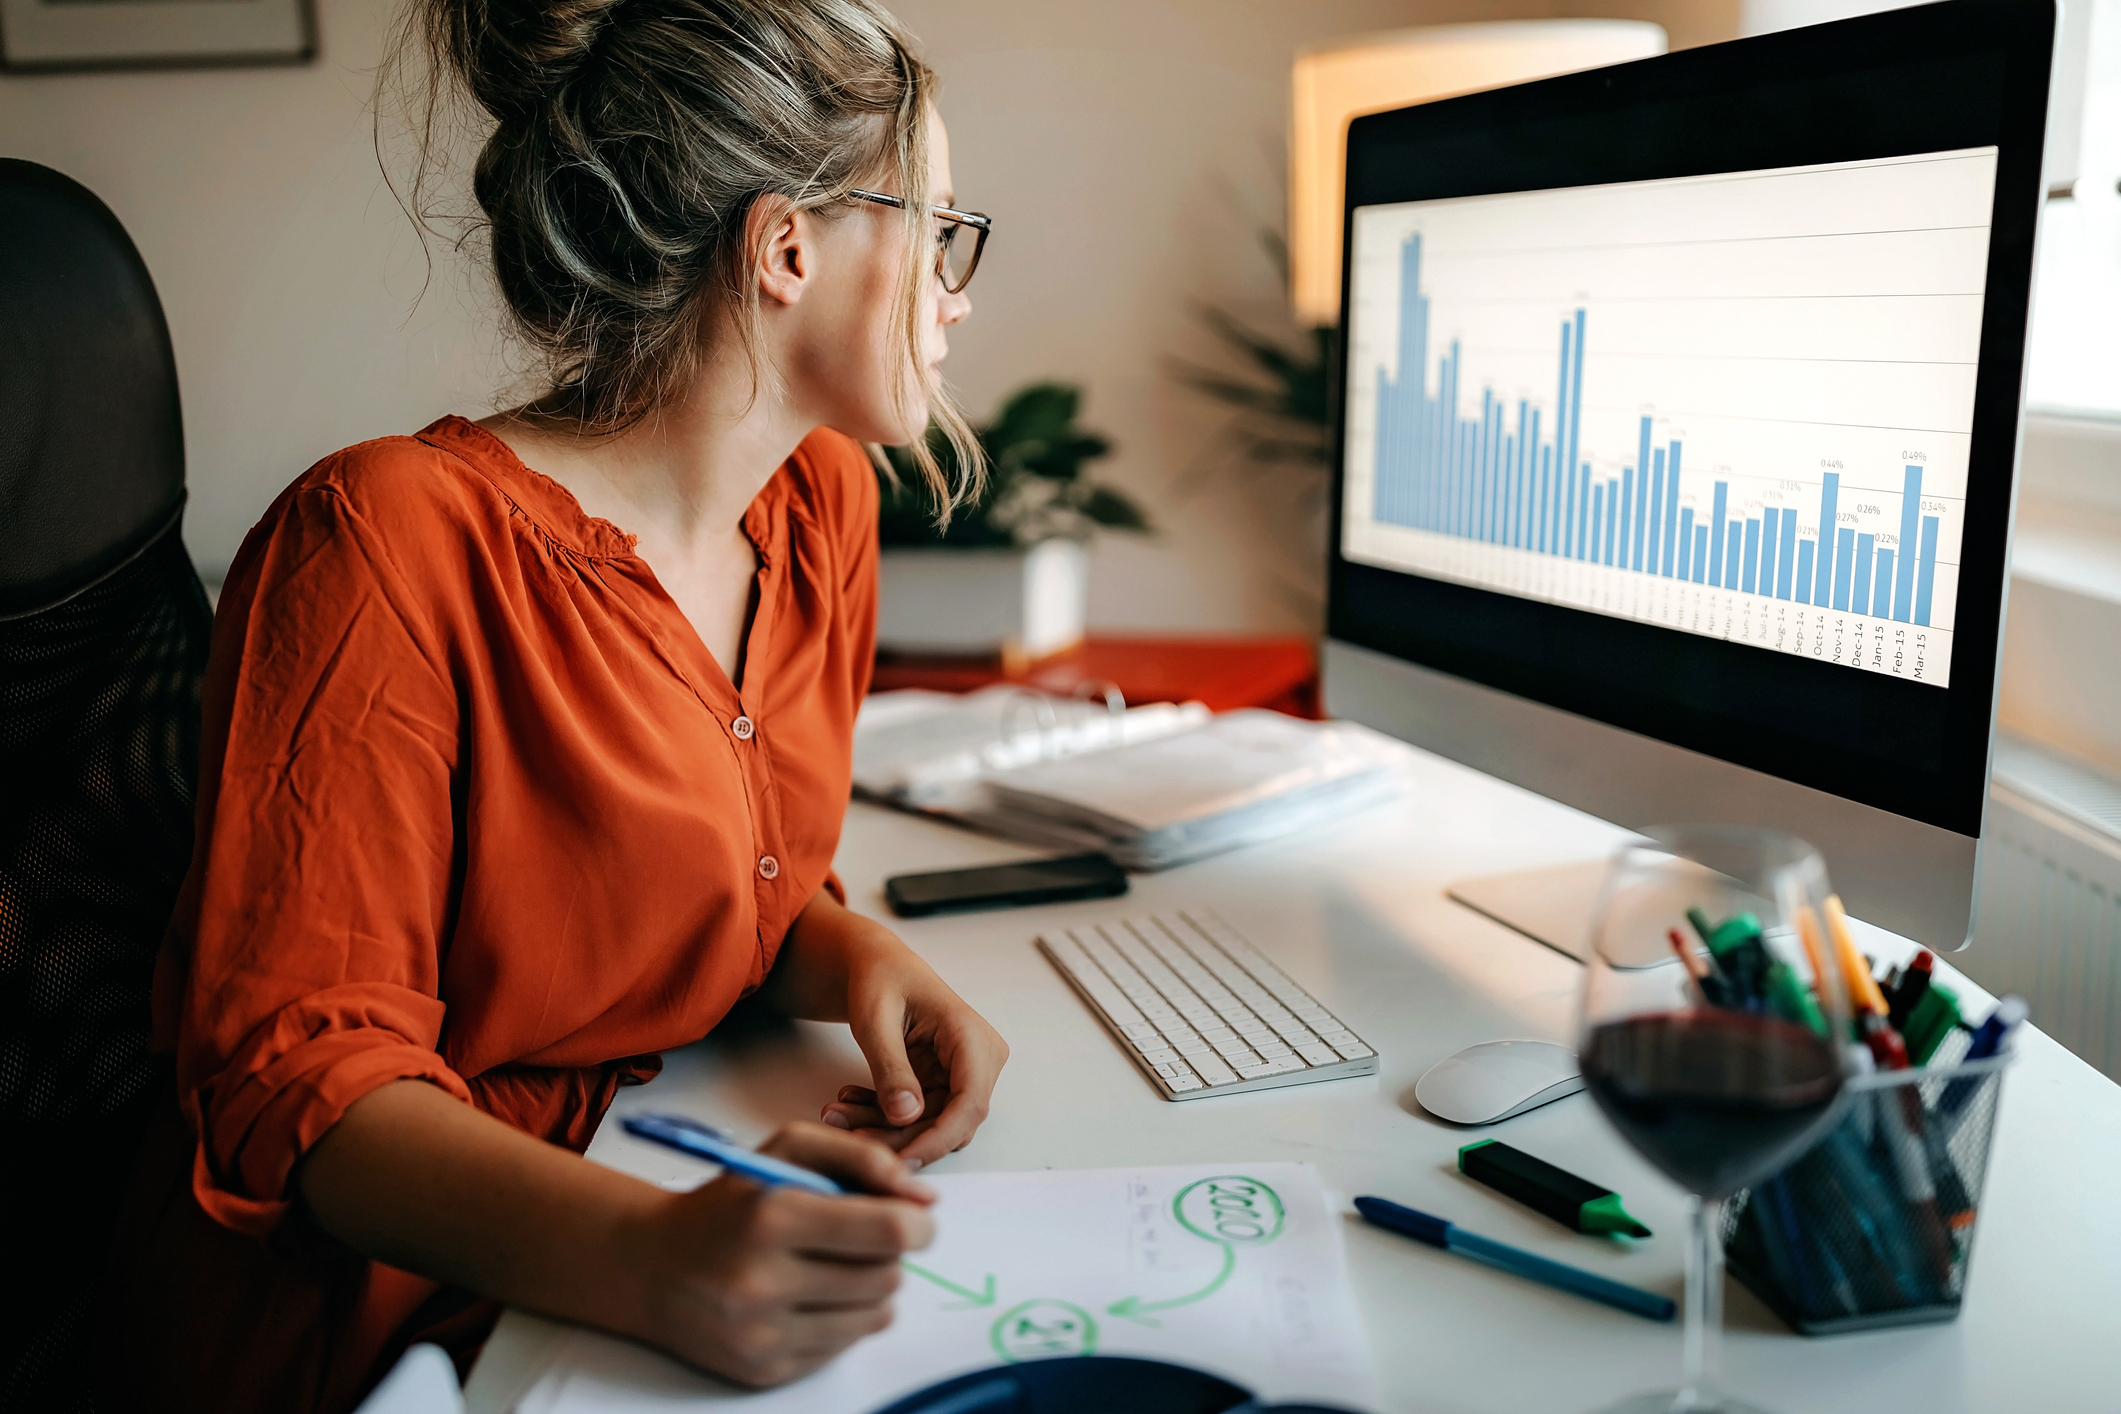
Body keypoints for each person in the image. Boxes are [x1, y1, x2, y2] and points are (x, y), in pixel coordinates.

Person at [106, 1, 1008, 1409]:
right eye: (940, 226)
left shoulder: (822, 504)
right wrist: (656, 1259)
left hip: (651, 1177)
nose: (956, 290)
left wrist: (852, 958)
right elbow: (305, 1087)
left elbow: (699, 882)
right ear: (786, 248)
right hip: (392, 1322)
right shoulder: (384, 538)